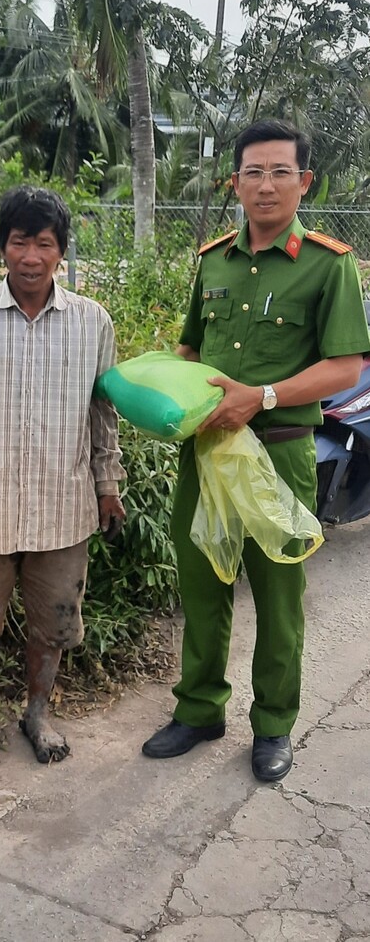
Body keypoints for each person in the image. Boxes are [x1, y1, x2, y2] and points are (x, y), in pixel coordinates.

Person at [142, 119, 370, 781]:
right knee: (203, 585)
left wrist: (261, 396)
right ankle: (200, 709)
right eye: (252, 172)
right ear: (233, 182)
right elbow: (189, 349)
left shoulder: (329, 266)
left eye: (279, 172)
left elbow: (346, 366)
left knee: (277, 597)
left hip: (281, 450)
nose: (264, 185)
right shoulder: (212, 259)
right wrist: (159, 389)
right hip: (207, 451)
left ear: (305, 182)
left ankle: (273, 726)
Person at [0, 185, 125, 768]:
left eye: (43, 244)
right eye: (19, 243)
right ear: (2, 247)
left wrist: (108, 485)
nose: (30, 257)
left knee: (55, 625)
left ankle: (38, 714)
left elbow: (101, 413)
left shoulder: (93, 323)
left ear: (61, 251)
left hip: (66, 507)